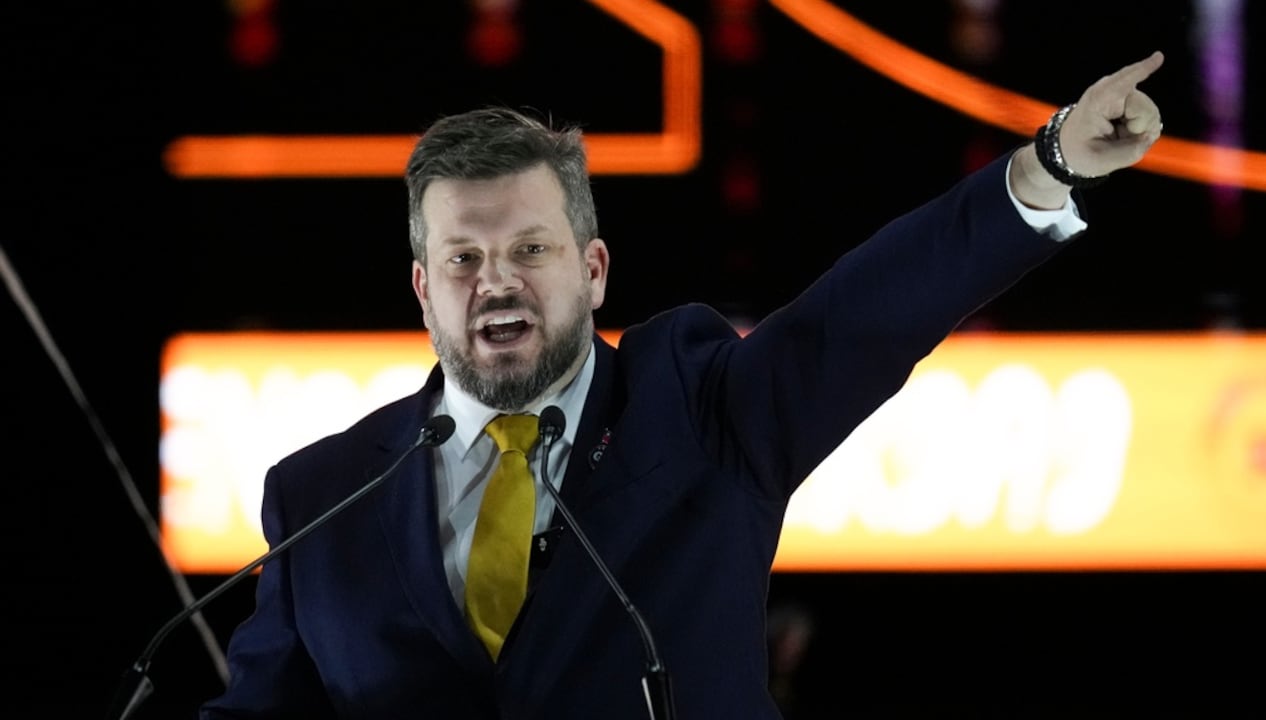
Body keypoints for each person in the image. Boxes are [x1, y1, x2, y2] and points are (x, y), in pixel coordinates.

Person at [199, 52, 1165, 719]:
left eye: (530, 249)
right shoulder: (322, 498)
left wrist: (1047, 166)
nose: (495, 280)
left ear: (594, 270)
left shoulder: (701, 412)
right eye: (462, 257)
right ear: (422, 288)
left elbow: (861, 319)